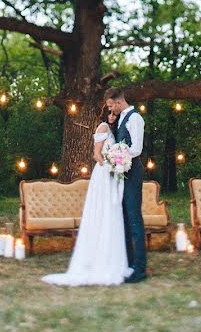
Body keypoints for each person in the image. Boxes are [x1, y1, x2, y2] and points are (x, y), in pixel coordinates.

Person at [41, 106, 133, 286]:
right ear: (104, 113)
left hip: (111, 175)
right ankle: (97, 261)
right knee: (103, 211)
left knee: (112, 213)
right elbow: (96, 154)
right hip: (103, 174)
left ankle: (111, 258)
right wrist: (113, 166)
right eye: (110, 113)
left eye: (115, 114)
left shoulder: (114, 131)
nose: (113, 117)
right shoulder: (103, 128)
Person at [104, 87, 147, 283]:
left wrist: (117, 156)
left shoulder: (135, 118)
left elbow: (136, 148)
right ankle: (128, 264)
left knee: (134, 217)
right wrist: (112, 126)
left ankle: (140, 268)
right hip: (121, 170)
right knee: (123, 217)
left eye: (111, 106)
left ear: (119, 102)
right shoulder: (120, 118)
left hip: (132, 171)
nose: (110, 110)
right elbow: (119, 141)